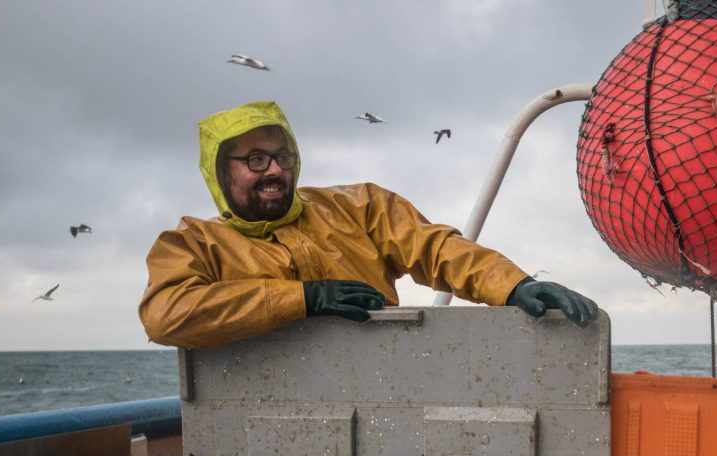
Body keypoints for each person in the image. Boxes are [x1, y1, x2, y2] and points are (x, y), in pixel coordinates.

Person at [139, 101, 598, 349]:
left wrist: (514, 286)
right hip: (260, 417)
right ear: (221, 172)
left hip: (378, 393)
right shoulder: (189, 243)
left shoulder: (359, 205)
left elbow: (435, 248)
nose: (274, 171)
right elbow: (166, 315)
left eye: (283, 157)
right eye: (255, 160)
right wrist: (304, 299)